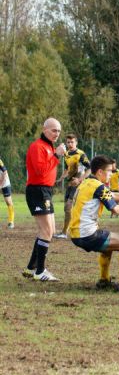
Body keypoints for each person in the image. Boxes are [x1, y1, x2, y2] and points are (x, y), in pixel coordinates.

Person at [68, 155, 119, 292]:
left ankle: (104, 280)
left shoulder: (87, 183)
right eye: (110, 171)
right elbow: (116, 209)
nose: (112, 174)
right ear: (100, 172)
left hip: (75, 234)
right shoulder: (98, 186)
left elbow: (111, 195)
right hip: (88, 234)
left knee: (108, 246)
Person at [23, 118, 67, 281]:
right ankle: (40, 271)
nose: (57, 134)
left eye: (59, 131)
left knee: (49, 230)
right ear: (45, 129)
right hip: (37, 191)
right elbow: (41, 171)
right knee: (47, 231)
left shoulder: (49, 147)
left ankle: (31, 268)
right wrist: (56, 155)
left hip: (46, 191)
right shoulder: (37, 146)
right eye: (54, 130)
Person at [55, 134, 91, 239]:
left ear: (76, 143)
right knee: (67, 209)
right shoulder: (66, 154)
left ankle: (65, 232)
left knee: (68, 207)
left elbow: (89, 168)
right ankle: (67, 231)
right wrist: (60, 179)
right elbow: (67, 170)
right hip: (70, 184)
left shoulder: (81, 154)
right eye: (68, 142)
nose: (70, 144)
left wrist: (80, 179)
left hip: (78, 184)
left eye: (72, 142)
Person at [0, 156, 15, 228]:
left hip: (5, 182)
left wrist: (1, 184)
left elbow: (5, 172)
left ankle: (11, 221)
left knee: (8, 202)